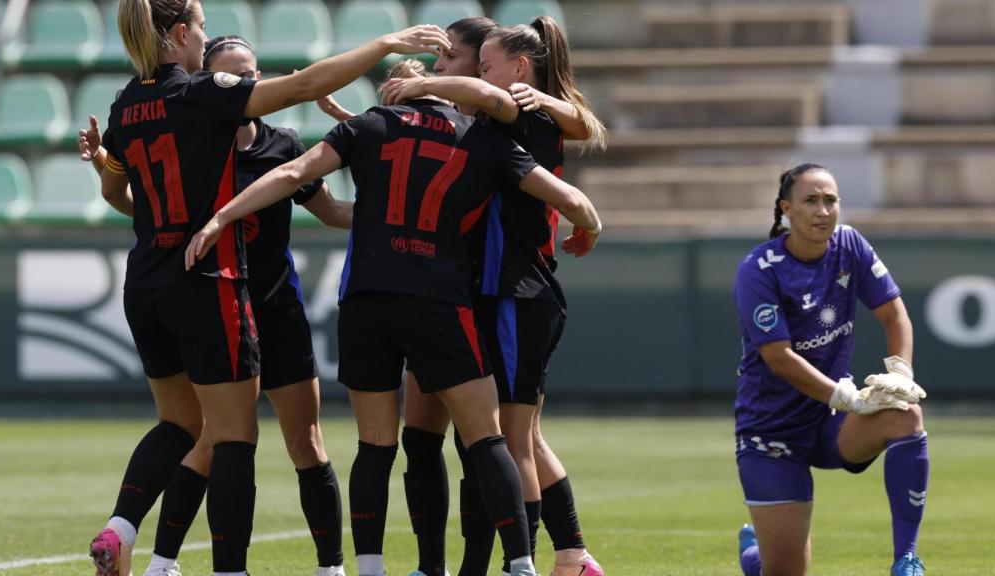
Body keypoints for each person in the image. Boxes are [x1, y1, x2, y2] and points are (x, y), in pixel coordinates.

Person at [183, 61, 602, 576]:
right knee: (487, 438)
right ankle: (521, 565)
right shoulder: (478, 138)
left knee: (373, 447)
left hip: (366, 303)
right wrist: (590, 227)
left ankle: (372, 569)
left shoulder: (368, 126)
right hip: (438, 302)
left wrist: (222, 216)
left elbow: (293, 173)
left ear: (391, 93)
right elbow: (571, 198)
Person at [87, 1, 449, 574]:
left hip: (145, 283)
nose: (203, 40)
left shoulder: (125, 103)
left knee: (179, 425)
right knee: (233, 438)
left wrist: (104, 162)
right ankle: (227, 568)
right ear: (181, 33)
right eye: (201, 29)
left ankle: (120, 526)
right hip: (207, 281)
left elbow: (116, 195)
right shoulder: (202, 93)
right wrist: (384, 44)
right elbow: (305, 84)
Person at [78, 32, 354, 576]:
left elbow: (333, 213)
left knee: (307, 440)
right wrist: (107, 165)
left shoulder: (283, 144)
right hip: (216, 299)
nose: (246, 82)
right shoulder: (194, 141)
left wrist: (396, 211)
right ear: (209, 81)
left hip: (273, 306)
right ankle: (163, 561)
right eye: (232, 73)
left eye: (251, 72)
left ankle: (332, 568)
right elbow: (148, 203)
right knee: (213, 440)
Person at [382, 16, 607, 576]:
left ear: (519, 70)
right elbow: (578, 123)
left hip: (513, 290)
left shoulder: (516, 109)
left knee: (509, 441)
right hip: (504, 290)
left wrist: (420, 85)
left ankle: (522, 564)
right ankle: (571, 555)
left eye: (483, 64)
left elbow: (557, 121)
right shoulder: (519, 112)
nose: (474, 75)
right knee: (515, 436)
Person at [732, 163, 929, 576]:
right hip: (772, 432)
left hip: (832, 423)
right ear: (786, 209)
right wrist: (848, 397)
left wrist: (901, 374)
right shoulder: (758, 270)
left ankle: (906, 559)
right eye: (810, 201)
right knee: (784, 571)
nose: (823, 210)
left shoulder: (850, 245)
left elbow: (895, 317)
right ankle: (756, 556)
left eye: (830, 200)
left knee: (905, 413)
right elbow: (778, 357)